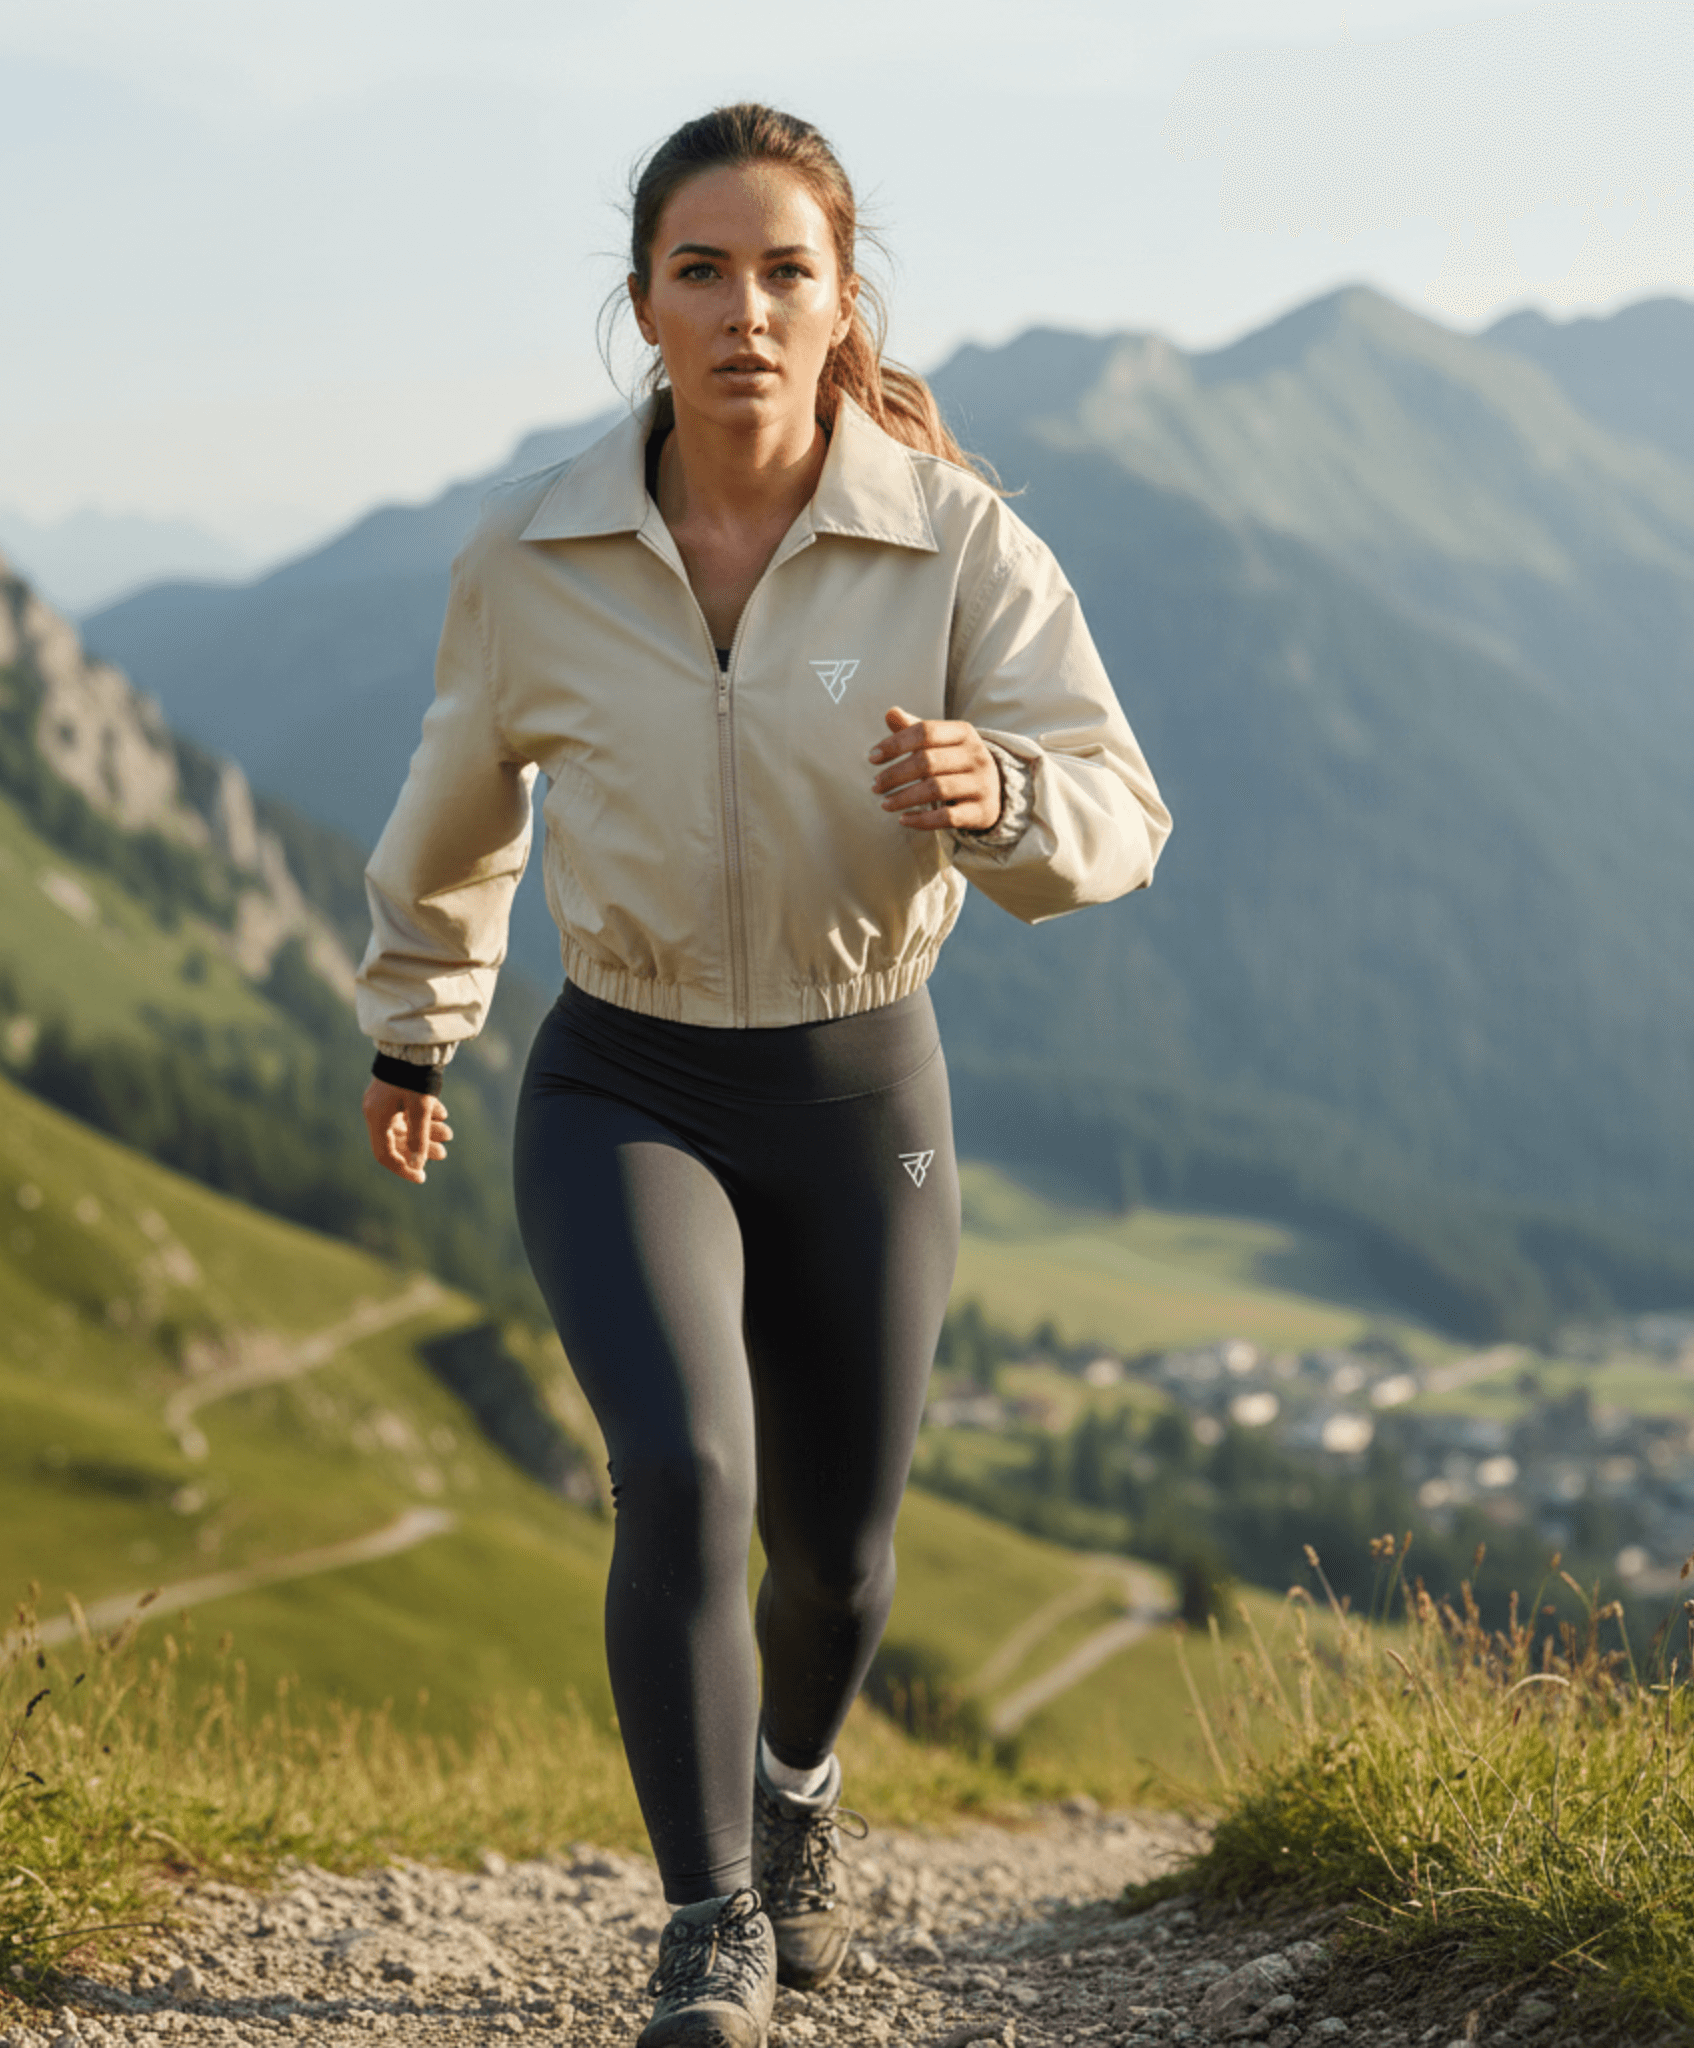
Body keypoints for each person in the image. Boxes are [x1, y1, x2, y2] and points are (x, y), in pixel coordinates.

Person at [356, 102, 1171, 2048]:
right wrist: (416, 1023)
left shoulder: (951, 537)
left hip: (856, 1091)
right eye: (699, 270)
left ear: (838, 298)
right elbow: (457, 815)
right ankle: (710, 1910)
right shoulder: (535, 553)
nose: (741, 310)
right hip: (619, 1079)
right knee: (680, 1468)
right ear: (640, 302)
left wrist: (1003, 791)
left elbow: (1124, 808)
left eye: (782, 269)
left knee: (841, 1552)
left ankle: (797, 1783)